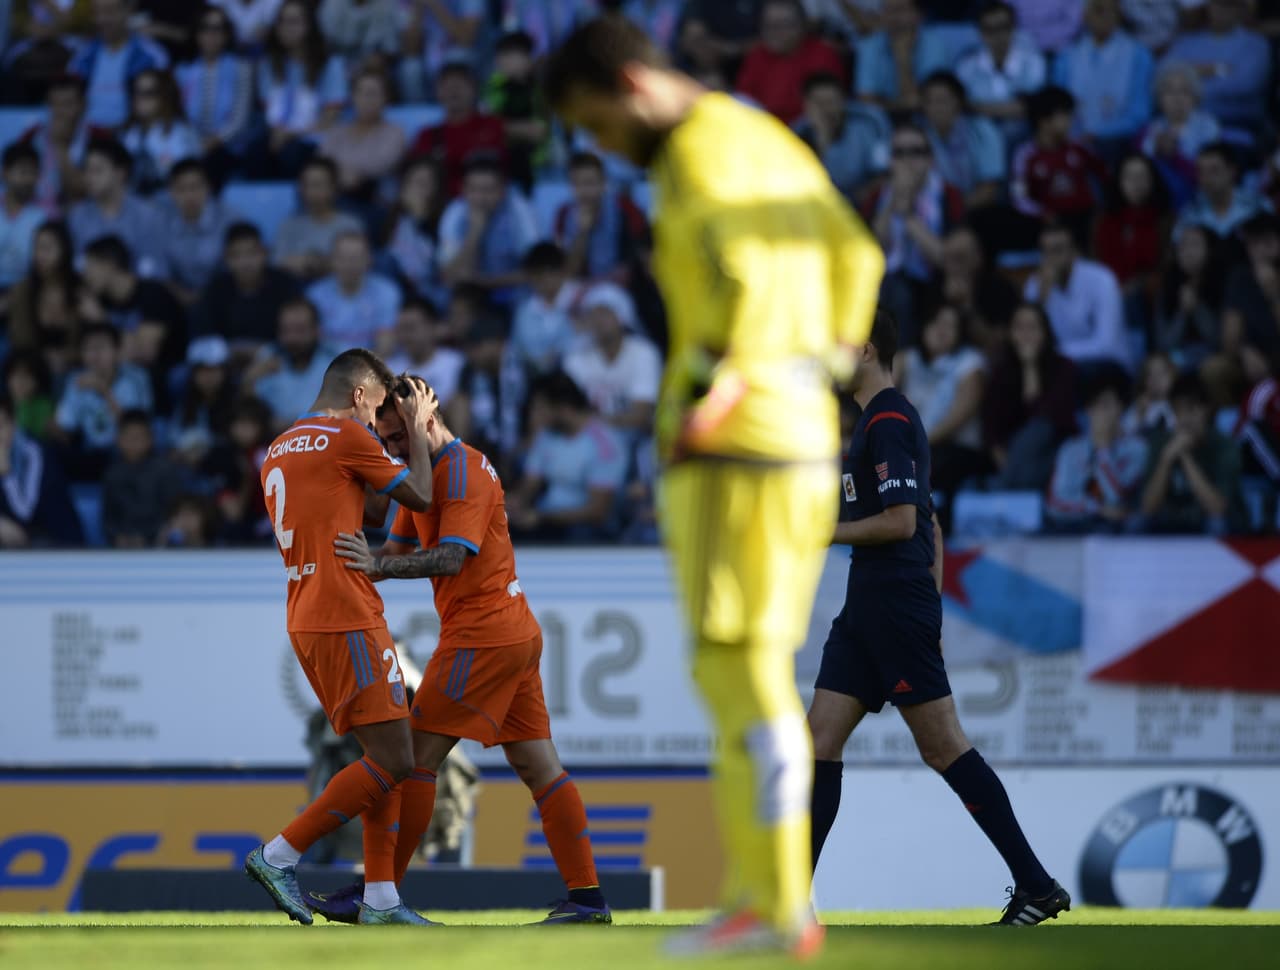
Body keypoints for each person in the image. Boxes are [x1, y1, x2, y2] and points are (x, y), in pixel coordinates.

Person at [546, 17, 886, 956]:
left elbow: (747, 274)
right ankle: (769, 898)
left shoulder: (696, 154)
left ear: (629, 83)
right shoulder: (760, 133)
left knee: (733, 671)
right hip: (797, 436)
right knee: (756, 669)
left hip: (730, 448)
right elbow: (857, 256)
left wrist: (714, 386)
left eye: (595, 122)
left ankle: (770, 905)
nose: (600, 144)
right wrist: (812, 366)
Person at [309, 377, 614, 925]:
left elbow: (448, 559)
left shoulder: (465, 471)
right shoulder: (426, 477)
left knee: (410, 762)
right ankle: (588, 899)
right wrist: (348, 565)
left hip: (484, 637)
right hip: (509, 633)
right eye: (387, 441)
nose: (395, 449)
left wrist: (376, 566)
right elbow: (397, 548)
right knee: (540, 767)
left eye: (400, 436)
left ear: (428, 415)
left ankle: (379, 894)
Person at [807, 306, 1070, 923]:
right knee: (817, 740)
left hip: (893, 605)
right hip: (872, 605)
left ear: (866, 350)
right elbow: (932, 524)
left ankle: (1035, 883)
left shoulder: (891, 420)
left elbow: (903, 524)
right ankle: (792, 902)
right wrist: (935, 609)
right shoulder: (876, 421)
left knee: (944, 746)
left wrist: (822, 530)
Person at [244, 351, 436, 926]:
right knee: (396, 757)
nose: (379, 424)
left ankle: (380, 899)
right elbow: (419, 497)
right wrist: (421, 430)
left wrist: (375, 460)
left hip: (305, 614)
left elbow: (371, 506)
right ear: (358, 395)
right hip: (346, 612)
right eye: (377, 409)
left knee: (382, 752)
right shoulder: (344, 437)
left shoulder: (280, 446)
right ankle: (277, 855)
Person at [505, 370, 630, 543]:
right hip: (547, 521)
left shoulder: (604, 444)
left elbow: (598, 512)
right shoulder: (546, 435)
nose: (534, 415)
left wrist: (541, 517)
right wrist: (514, 504)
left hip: (586, 530)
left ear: (562, 407)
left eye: (540, 408)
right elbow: (530, 484)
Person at [1045, 369, 1148, 532]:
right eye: (1095, 406)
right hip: (1074, 527)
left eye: (1107, 405)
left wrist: (1103, 449)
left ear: (1121, 408)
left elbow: (1116, 499)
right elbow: (1055, 504)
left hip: (1119, 532)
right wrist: (1096, 509)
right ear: (1087, 410)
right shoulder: (1070, 449)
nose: (1100, 413)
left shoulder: (1137, 449)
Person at [1139, 372, 1241, 534]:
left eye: (1192, 409)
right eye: (1179, 411)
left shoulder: (1224, 447)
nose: (1186, 418)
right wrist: (1166, 460)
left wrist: (1185, 457)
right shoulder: (1160, 443)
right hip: (1170, 524)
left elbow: (1217, 508)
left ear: (1207, 409)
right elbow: (1147, 508)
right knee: (1137, 523)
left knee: (1217, 524)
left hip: (1211, 529)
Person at [1023, 222, 1129, 374]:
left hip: (1107, 365)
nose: (1051, 258)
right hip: (1060, 367)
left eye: (1057, 250)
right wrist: (1042, 299)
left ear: (1074, 251)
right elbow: (1029, 339)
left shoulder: (1102, 279)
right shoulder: (1035, 285)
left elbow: (1107, 344)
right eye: (1045, 251)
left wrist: (1055, 354)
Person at [54, 322, 155, 481]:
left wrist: (104, 392)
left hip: (123, 453)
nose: (95, 355)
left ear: (117, 351)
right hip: (90, 453)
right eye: (88, 349)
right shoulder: (75, 380)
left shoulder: (136, 377)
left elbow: (135, 427)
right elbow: (66, 426)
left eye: (101, 348)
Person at [1051, 0, 1153, 155]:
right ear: (1085, 15)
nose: (1106, 16)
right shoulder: (1066, 56)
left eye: (1112, 11)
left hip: (1120, 143)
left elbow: (1139, 114)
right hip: (1073, 141)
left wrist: (1098, 133)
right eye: (1099, 10)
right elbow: (1058, 107)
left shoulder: (1138, 55)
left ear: (1120, 16)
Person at [192, 221, 302, 357]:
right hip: (225, 363)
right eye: (236, 255)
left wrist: (265, 353)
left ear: (264, 253)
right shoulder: (215, 289)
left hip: (277, 361)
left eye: (252, 253)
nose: (245, 262)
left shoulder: (285, 285)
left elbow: (297, 334)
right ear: (226, 259)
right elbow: (206, 339)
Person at [175, 4, 256, 187]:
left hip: (228, 146)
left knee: (211, 163)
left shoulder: (241, 69)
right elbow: (179, 115)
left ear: (227, 35)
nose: (211, 35)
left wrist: (213, 142)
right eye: (205, 28)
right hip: (190, 143)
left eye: (217, 29)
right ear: (196, 33)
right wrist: (194, 142)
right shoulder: (183, 70)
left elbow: (239, 120)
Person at [67, 137, 165, 278]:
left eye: (97, 170)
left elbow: (152, 270)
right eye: (86, 170)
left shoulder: (147, 215)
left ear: (120, 173)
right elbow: (77, 265)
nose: (89, 177)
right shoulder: (77, 216)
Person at [734, 0, 844, 124]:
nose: (774, 32)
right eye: (768, 25)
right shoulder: (756, 56)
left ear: (802, 26)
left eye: (782, 25)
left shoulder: (823, 55)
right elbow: (743, 103)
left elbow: (827, 110)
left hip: (808, 133)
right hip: (764, 132)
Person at [408, 62, 508, 198]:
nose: (454, 92)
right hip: (439, 207)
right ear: (438, 92)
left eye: (460, 86)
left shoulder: (492, 126)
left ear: (474, 89)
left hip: (483, 201)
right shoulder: (427, 135)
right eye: (448, 86)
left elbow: (497, 170)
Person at [955, 1, 1046, 145]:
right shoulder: (966, 66)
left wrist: (977, 108)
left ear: (1014, 28)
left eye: (1004, 27)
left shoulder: (1033, 61)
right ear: (981, 33)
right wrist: (1012, 108)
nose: (998, 35)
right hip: (980, 141)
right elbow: (960, 107)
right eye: (990, 29)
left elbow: (1032, 108)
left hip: (1026, 139)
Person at [68, 0, 170, 129]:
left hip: (133, 136)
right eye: (97, 12)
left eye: (109, 11)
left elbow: (163, 106)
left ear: (128, 10)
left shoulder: (152, 57)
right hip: (90, 137)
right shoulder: (82, 57)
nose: (102, 19)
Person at [790, 72, 889, 202]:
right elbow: (801, 184)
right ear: (807, 105)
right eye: (819, 102)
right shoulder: (796, 134)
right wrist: (823, 140)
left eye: (831, 101)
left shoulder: (868, 123)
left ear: (843, 101)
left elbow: (885, 174)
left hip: (865, 203)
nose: (826, 109)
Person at [0, 392, 82, 548]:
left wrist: (6, 475)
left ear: (13, 424)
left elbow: (25, 514)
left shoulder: (34, 454)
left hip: (54, 544)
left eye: (0, 426)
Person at [554, 151, 650, 284]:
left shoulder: (625, 208)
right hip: (578, 287)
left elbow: (640, 260)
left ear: (603, 183)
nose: (583, 191)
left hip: (619, 287)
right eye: (576, 183)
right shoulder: (564, 214)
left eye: (589, 183)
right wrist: (582, 232)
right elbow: (568, 270)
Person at [246, 296, 340, 431]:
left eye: (300, 330)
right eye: (286, 331)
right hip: (276, 441)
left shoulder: (336, 358)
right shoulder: (267, 357)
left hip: (324, 438)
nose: (292, 338)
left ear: (316, 330)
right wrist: (250, 379)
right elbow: (249, 412)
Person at [157, 158, 243, 301]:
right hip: (177, 299)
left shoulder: (231, 221)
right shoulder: (160, 221)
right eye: (181, 189)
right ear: (171, 191)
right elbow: (160, 273)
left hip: (222, 297)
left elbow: (236, 271)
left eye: (195, 187)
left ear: (208, 187)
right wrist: (183, 296)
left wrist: (205, 299)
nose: (189, 196)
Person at [306, 230, 402, 351]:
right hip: (328, 365)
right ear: (331, 260)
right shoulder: (315, 295)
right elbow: (313, 343)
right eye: (343, 258)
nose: (350, 264)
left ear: (369, 260)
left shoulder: (387, 292)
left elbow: (385, 345)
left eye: (356, 258)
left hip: (372, 364)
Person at [101, 408, 184, 547]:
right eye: (129, 437)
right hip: (121, 546)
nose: (134, 443)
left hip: (158, 545)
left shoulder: (166, 471)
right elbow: (108, 517)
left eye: (139, 437)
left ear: (150, 439)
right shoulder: (112, 473)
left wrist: (146, 537)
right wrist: (118, 536)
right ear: (118, 439)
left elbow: (172, 513)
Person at [273, 156, 365, 281]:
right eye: (306, 185)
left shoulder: (350, 225)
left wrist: (314, 263)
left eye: (317, 185)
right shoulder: (289, 225)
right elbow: (277, 262)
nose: (311, 191)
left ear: (333, 188)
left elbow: (358, 263)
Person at [120, 68, 201, 196]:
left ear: (164, 96)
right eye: (136, 92)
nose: (139, 98)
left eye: (148, 93)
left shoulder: (182, 134)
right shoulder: (129, 134)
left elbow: (189, 181)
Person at [383, 298, 466, 407]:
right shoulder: (390, 369)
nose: (406, 336)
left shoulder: (456, 363)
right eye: (401, 329)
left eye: (411, 328)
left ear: (432, 327)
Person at [0, 144, 46, 303]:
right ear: (4, 173)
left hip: (27, 294)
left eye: (33, 173)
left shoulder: (43, 218)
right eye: (22, 172)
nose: (28, 179)